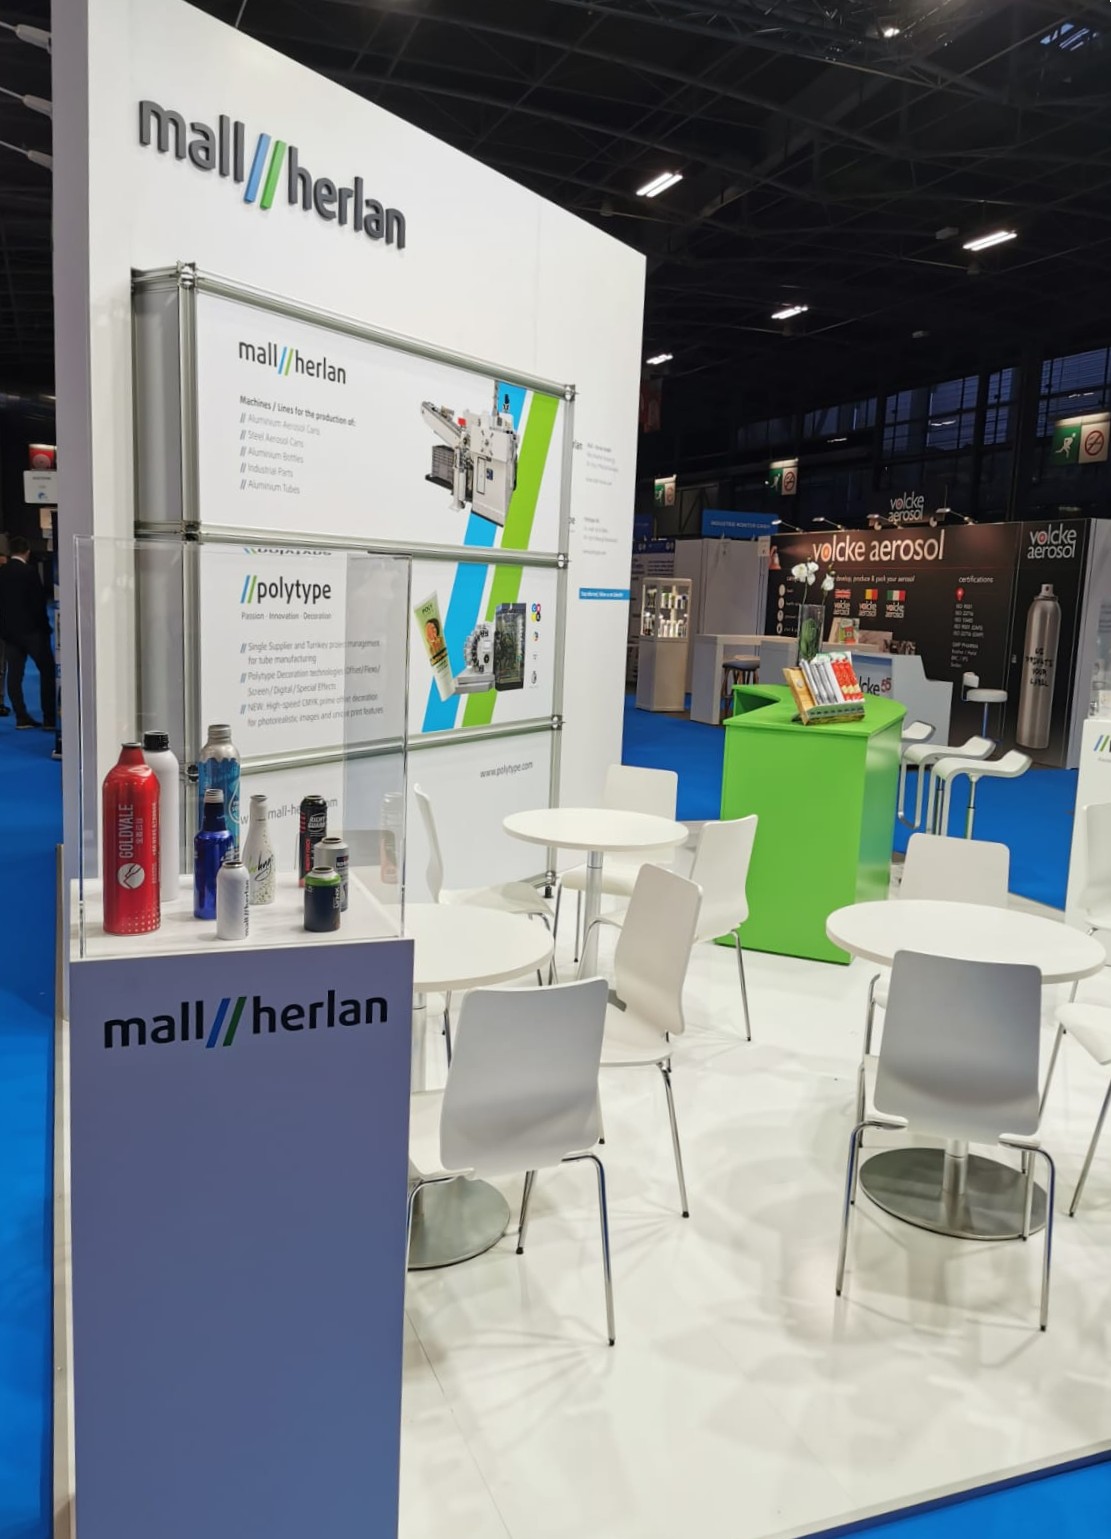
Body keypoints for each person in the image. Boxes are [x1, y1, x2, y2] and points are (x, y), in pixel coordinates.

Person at [0, 536, 56, 730]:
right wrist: (45, 627)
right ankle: (49, 719)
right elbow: (38, 603)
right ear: (27, 552)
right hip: (33, 632)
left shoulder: (2, 572)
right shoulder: (30, 572)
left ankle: (21, 717)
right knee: (47, 672)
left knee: (14, 675)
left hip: (10, 633)